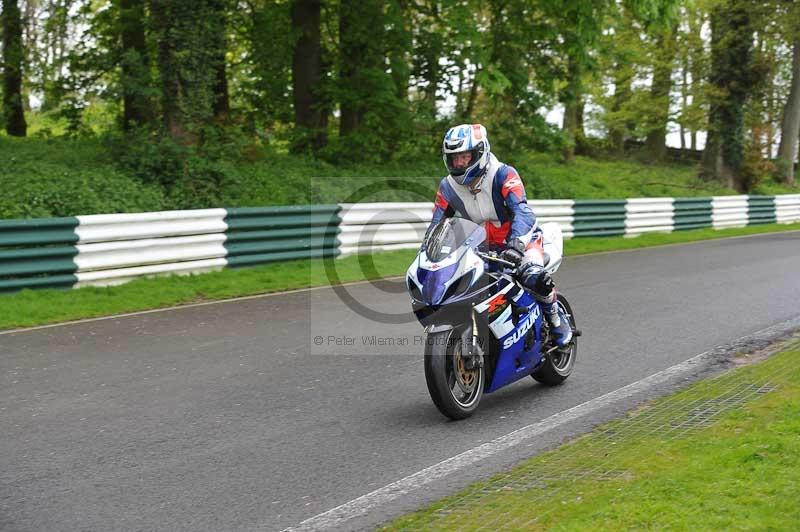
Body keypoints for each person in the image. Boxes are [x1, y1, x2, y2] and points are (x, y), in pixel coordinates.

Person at [428, 123, 572, 347]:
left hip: (521, 241)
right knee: (456, 284)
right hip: (481, 248)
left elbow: (522, 211)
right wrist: (429, 253)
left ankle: (555, 317)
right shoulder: (448, 187)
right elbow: (437, 223)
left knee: (533, 275)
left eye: (464, 157)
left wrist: (515, 245)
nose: (459, 163)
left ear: (479, 153)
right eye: (454, 158)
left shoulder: (503, 174)